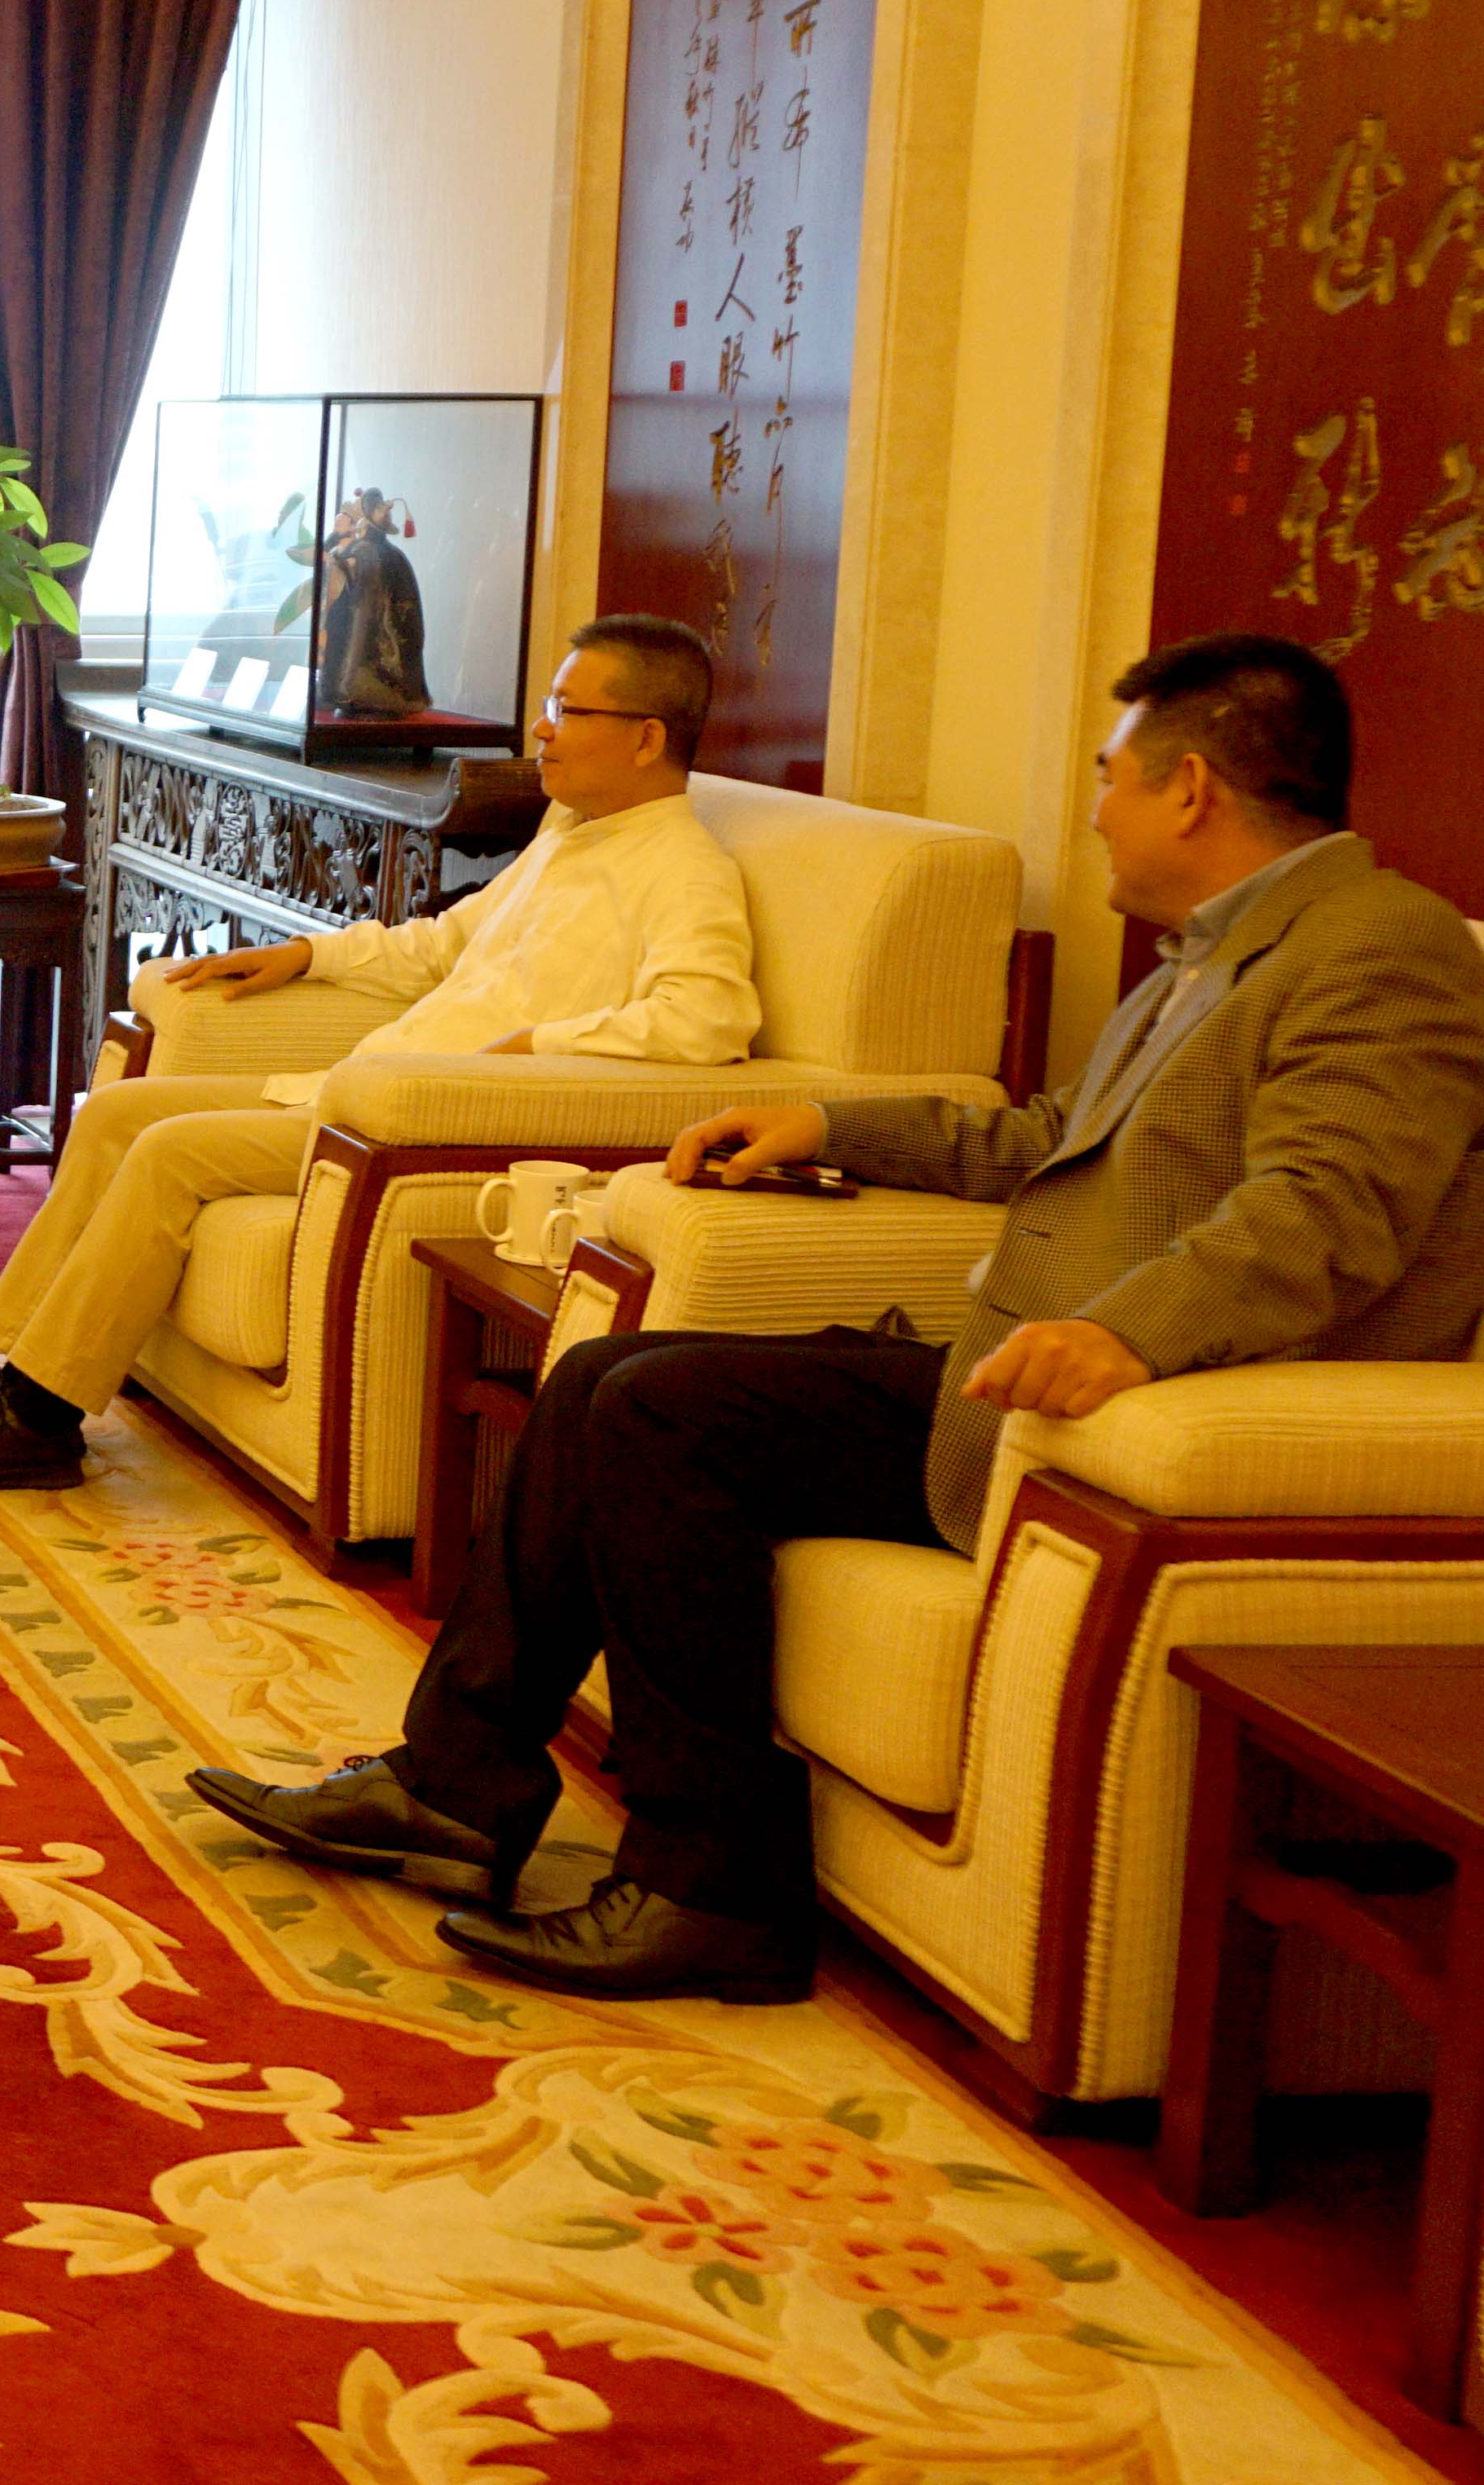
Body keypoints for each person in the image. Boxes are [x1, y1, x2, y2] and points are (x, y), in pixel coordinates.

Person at [192, 635, 1484, 2000]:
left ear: (1193, 787)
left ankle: (715, 1891)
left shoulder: (1378, 950)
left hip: (1118, 1417)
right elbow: (1052, 1136)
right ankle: (453, 1787)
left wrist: (1133, 1332)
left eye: (1110, 776)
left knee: (656, 1416)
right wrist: (826, 1123)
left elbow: (1331, 1208)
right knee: (602, 1380)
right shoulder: (1205, 958)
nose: (1096, 808)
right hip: (1006, 1384)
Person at [0, 615, 760, 1492]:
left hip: (420, 1125)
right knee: (113, 1112)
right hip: (364, 1090)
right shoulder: (570, 833)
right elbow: (442, 946)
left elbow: (708, 1019)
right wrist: (309, 954)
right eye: (549, 705)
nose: (542, 728)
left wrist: (539, 1042)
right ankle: (18, 1377)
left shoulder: (686, 869)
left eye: (568, 710)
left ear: (647, 738)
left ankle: (39, 1420)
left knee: (171, 1150)